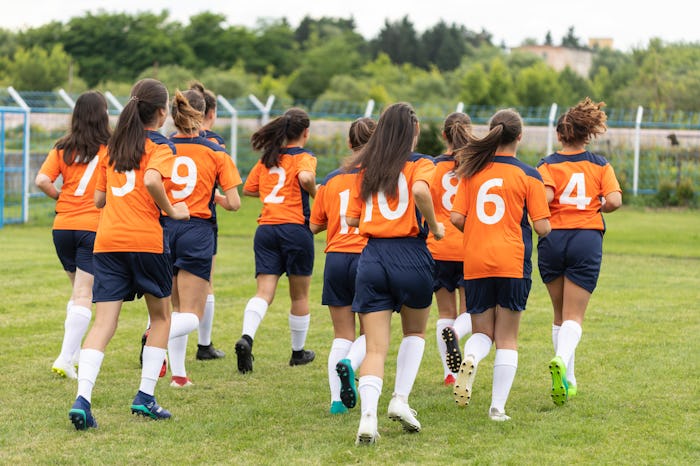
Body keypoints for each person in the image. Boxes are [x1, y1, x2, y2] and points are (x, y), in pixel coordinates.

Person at [68, 78, 189, 430]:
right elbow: (152, 180)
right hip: (145, 241)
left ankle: (83, 399)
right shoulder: (161, 147)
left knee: (104, 322)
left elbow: (99, 200)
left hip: (107, 242)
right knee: (162, 318)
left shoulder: (112, 148)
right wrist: (171, 209)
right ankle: (145, 397)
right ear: (163, 112)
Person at [345, 102, 445, 445]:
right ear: (412, 133)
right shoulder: (420, 164)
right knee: (414, 333)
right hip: (411, 254)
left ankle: (368, 419)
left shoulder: (366, 168)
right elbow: (419, 191)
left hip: (372, 257)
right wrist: (435, 226)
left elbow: (351, 220)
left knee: (374, 348)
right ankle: (400, 399)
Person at [450, 108, 551, 422]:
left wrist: (479, 233)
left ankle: (470, 356)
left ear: (492, 132)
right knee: (507, 338)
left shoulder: (472, 170)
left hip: (477, 260)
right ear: (519, 136)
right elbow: (542, 227)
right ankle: (497, 408)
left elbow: (456, 217)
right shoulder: (529, 175)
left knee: (482, 332)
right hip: (512, 261)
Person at [536, 98, 622, 406]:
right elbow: (613, 201)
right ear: (588, 135)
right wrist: (592, 206)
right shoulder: (599, 164)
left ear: (560, 135)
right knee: (575, 315)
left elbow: (544, 198)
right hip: (586, 237)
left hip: (553, 238)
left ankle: (569, 381)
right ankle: (561, 361)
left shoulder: (546, 165)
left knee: (559, 314)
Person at [164, 89, 242, 388]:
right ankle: (156, 337)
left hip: (167, 227)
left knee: (175, 307)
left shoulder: (163, 147)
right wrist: (217, 199)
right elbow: (235, 202)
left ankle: (179, 375)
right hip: (197, 230)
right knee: (192, 315)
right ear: (204, 114)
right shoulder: (216, 151)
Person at [235, 107, 317, 373]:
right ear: (305, 132)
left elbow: (248, 188)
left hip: (267, 229)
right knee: (300, 295)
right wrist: (315, 193)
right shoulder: (304, 157)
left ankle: (247, 337)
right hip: (295, 229)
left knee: (264, 292)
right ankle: (297, 352)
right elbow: (305, 177)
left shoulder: (269, 158)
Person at [35, 91, 111, 380]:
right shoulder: (109, 148)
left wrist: (59, 196)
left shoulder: (63, 147)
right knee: (84, 294)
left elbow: (41, 179)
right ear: (103, 115)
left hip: (63, 226)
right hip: (92, 226)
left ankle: (73, 353)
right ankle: (65, 358)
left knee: (77, 292)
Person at [309, 117, 376, 415]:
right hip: (369, 256)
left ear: (349, 144)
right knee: (372, 332)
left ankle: (337, 402)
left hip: (336, 258)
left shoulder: (332, 179)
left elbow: (313, 225)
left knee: (341, 333)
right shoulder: (381, 177)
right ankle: (352, 365)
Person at [427, 112, 474, 386]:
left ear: (443, 135)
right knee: (469, 312)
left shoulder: (431, 167)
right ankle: (457, 333)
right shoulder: (475, 167)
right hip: (468, 246)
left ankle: (450, 373)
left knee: (444, 312)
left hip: (438, 246)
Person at [190, 81, 227, 360]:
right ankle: (204, 345)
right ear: (209, 113)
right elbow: (216, 184)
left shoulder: (170, 140)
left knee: (166, 289)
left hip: (169, 218)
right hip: (203, 220)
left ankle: (152, 339)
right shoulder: (213, 143)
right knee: (206, 283)